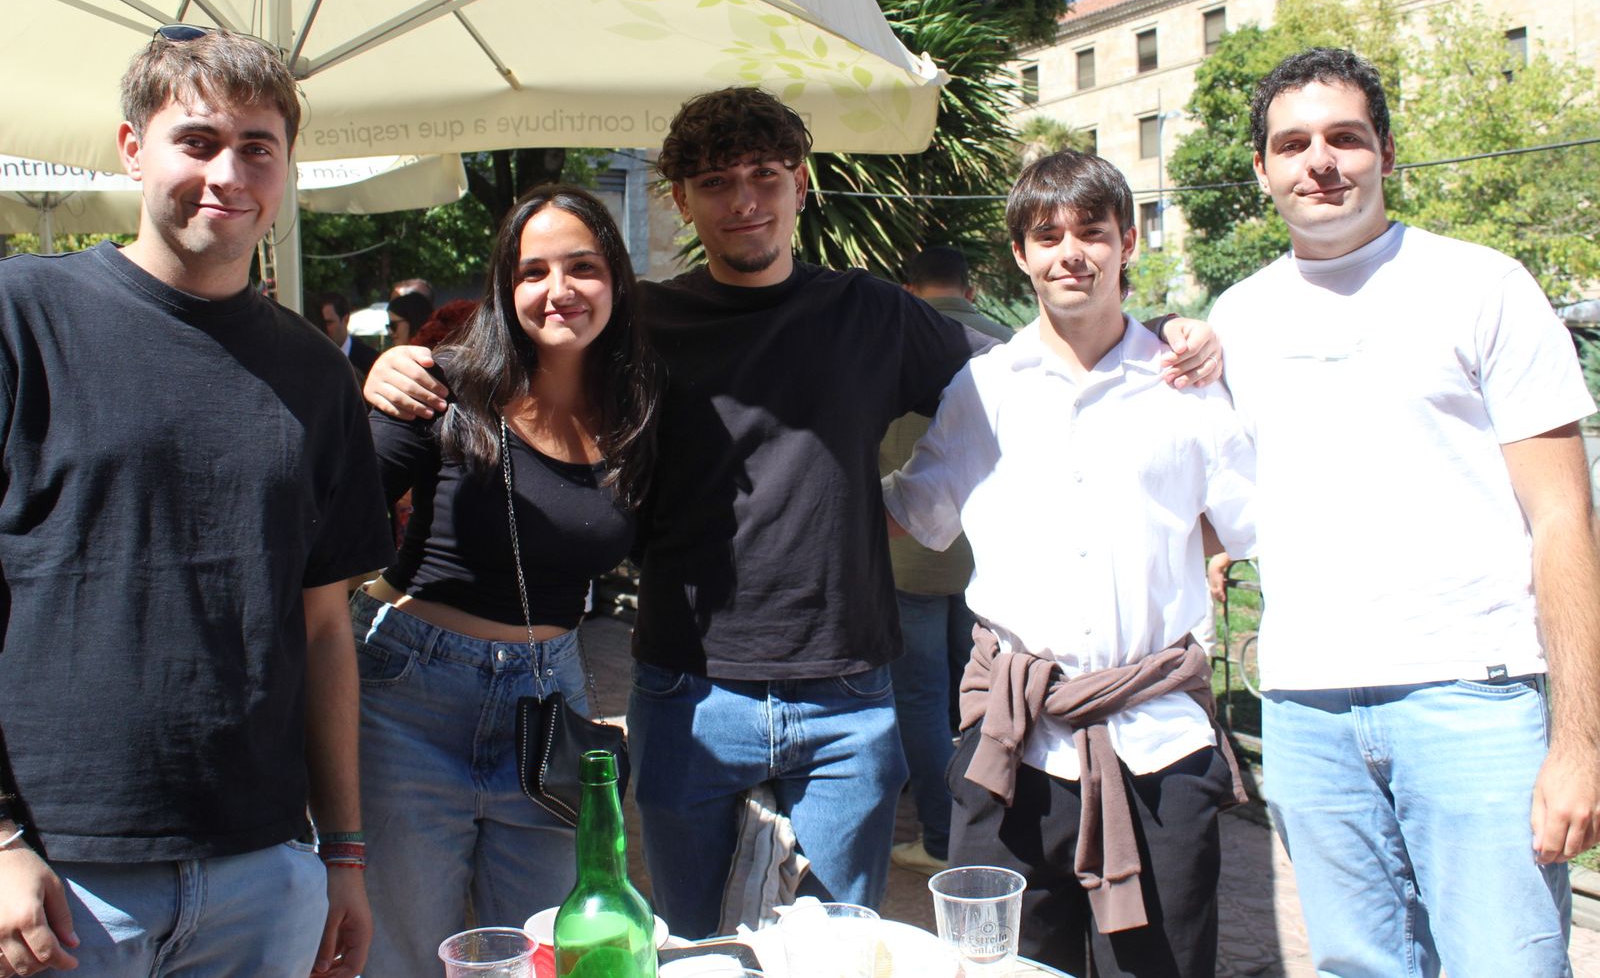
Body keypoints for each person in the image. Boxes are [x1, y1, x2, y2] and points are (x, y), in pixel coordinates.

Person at [363, 87, 1225, 939]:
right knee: (695, 948)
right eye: (715, 182)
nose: (744, 201)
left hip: (846, 698)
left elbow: (1039, 370)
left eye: (765, 176)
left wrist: (1163, 332)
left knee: (837, 951)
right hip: (685, 688)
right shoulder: (640, 325)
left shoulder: (873, 312)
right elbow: (525, 350)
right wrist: (402, 367)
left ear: (802, 184)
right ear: (681, 200)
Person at [0, 26, 392, 978]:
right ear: (134, 148)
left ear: (285, 169)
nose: (228, 172)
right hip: (60, 873)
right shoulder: (22, 314)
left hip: (263, 868)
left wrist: (342, 851)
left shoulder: (315, 370)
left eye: (257, 147)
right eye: (198, 140)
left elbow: (328, 628)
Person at [1207, 47, 1600, 976]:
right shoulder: (1237, 317)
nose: (1321, 161)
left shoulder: (1482, 286)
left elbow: (1564, 521)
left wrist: (1580, 741)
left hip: (1473, 696)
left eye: (1344, 136)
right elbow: (1220, 508)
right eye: (1293, 143)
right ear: (1263, 169)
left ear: (1385, 150)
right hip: (1305, 711)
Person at [883, 150, 1255, 977]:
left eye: (1092, 231)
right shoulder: (984, 388)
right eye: (1047, 236)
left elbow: (1254, 518)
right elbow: (913, 513)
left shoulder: (1187, 387)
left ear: (1128, 241)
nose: (1070, 252)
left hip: (1158, 748)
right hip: (1012, 751)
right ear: (1021, 254)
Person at [353, 185, 660, 976]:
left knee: (548, 947)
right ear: (505, 287)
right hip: (407, 694)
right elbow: (324, 523)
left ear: (617, 281)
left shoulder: (638, 411)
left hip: (550, 699)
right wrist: (362, 395)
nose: (558, 290)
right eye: (533, 272)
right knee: (405, 954)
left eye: (582, 267)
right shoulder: (440, 387)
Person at [876, 246, 1012, 878]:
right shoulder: (1007, 347)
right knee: (978, 699)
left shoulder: (887, 345)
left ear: (908, 286)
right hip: (985, 562)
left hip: (906, 558)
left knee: (922, 702)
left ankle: (939, 834)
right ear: (971, 289)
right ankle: (988, 828)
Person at [319, 290, 380, 381]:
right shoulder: (312, 360)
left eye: (328, 323)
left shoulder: (370, 360)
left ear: (346, 320)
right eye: (320, 323)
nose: (322, 328)